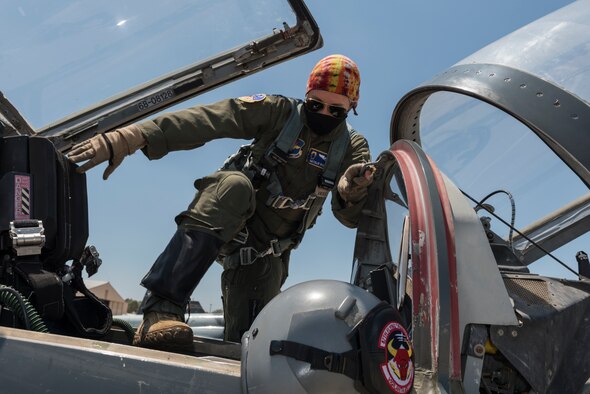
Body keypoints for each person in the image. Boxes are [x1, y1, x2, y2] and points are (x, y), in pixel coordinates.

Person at [68, 54, 375, 348]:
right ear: (306, 95)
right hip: (228, 216)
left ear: (353, 107)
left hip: (265, 255)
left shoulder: (353, 147)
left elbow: (350, 217)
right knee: (235, 185)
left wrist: (352, 189)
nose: (323, 114)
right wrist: (137, 135)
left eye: (336, 111)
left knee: (250, 346)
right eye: (315, 104)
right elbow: (213, 119)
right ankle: (161, 308)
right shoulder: (278, 113)